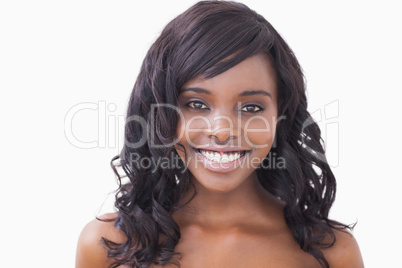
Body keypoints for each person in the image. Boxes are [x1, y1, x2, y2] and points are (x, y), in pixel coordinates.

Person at [75, 1, 364, 267]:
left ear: (281, 116)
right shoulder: (108, 246)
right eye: (196, 104)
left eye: (251, 107)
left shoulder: (331, 253)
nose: (222, 131)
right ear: (160, 112)